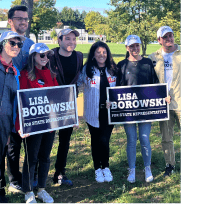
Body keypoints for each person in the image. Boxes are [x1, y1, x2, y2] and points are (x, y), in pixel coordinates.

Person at [0, 5, 35, 200]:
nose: (23, 22)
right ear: (10, 21)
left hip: (13, 109)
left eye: (26, 19)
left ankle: (10, 182)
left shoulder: (30, 44)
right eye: (19, 18)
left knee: (6, 150)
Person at [16, 43, 58, 204]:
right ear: (33, 56)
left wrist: (68, 118)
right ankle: (28, 191)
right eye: (42, 55)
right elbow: (21, 102)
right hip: (32, 125)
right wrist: (20, 125)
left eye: (47, 55)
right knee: (31, 158)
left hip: (49, 124)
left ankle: (41, 188)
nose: (45, 59)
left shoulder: (52, 74)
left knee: (45, 157)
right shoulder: (25, 75)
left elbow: (57, 98)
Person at [116, 35, 159, 184]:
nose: (135, 49)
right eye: (131, 46)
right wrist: (112, 101)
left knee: (145, 139)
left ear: (140, 46)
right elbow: (116, 89)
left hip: (146, 110)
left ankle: (147, 167)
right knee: (131, 140)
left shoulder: (147, 63)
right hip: (128, 110)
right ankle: (132, 169)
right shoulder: (121, 65)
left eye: (137, 45)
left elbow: (155, 84)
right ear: (127, 48)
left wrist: (163, 97)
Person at [0, 30, 23, 203]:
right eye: (12, 43)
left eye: (19, 44)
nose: (16, 47)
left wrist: (9, 130)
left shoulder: (15, 73)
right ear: (2, 45)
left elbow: (14, 103)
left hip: (3, 124)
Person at [77, 41, 117, 183]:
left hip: (109, 112)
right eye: (98, 52)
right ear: (93, 54)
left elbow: (120, 89)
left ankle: (106, 166)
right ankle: (97, 169)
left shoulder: (112, 68)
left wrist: (114, 101)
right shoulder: (87, 69)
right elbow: (77, 85)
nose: (102, 55)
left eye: (104, 52)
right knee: (95, 140)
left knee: (105, 140)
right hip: (92, 111)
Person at [48, 28, 83, 186]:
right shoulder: (50, 56)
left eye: (74, 39)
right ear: (59, 40)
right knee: (46, 140)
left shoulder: (79, 56)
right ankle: (36, 174)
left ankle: (59, 173)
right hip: (49, 104)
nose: (71, 42)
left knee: (65, 140)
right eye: (67, 39)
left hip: (69, 103)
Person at [149, 26, 180, 177]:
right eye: (165, 37)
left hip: (181, 102)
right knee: (166, 138)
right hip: (163, 105)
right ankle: (170, 164)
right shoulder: (153, 57)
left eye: (171, 35)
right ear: (159, 40)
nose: (169, 39)